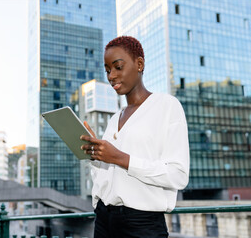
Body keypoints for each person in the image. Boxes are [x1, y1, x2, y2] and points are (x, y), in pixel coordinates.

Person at [80, 36, 190, 238]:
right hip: (104, 220)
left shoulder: (167, 106)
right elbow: (108, 176)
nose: (111, 76)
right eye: (107, 70)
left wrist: (119, 157)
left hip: (141, 224)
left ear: (139, 64)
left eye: (117, 67)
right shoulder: (114, 119)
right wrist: (96, 156)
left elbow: (178, 175)